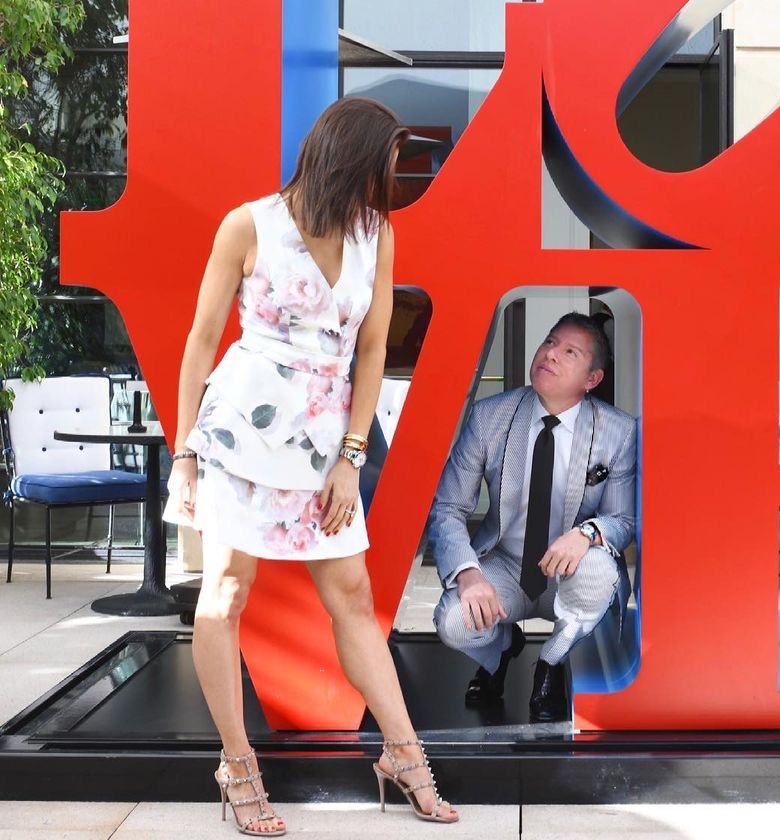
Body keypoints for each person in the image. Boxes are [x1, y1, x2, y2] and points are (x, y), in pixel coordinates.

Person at [164, 97, 458, 833]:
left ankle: (403, 753)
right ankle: (237, 765)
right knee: (224, 593)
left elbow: (372, 348)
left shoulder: (376, 234)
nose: (392, 183)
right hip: (240, 433)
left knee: (352, 595)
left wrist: (352, 456)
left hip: (326, 445)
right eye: (385, 167)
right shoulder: (248, 225)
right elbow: (201, 340)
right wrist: (184, 450)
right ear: (350, 160)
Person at [427, 313, 637, 722]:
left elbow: (623, 521)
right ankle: (503, 649)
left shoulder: (619, 431)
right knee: (453, 621)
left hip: (569, 568)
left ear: (592, 379)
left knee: (598, 567)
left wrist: (587, 533)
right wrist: (467, 574)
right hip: (506, 563)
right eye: (550, 342)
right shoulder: (490, 417)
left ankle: (551, 664)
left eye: (570, 352)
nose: (551, 354)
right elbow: (448, 507)